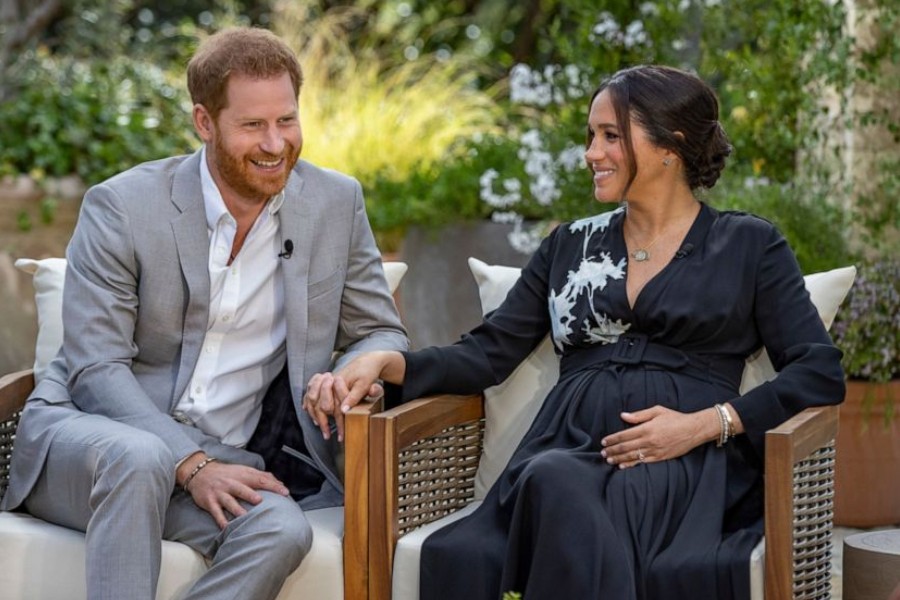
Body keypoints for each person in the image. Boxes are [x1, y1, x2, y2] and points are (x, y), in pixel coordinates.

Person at [325, 65, 846, 600]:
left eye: (611, 136)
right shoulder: (569, 245)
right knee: (550, 481)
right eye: (591, 136)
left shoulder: (748, 245)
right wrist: (389, 364)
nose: (592, 153)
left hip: (680, 462)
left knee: (557, 486)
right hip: (564, 448)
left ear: (673, 146)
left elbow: (819, 370)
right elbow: (487, 353)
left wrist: (705, 425)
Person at [0, 26, 407, 599]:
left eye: (286, 120)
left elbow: (379, 328)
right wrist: (188, 463)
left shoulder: (336, 203)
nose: (275, 143)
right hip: (89, 445)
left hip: (222, 456)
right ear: (203, 122)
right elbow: (96, 371)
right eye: (252, 125)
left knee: (281, 529)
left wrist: (360, 364)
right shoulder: (121, 207)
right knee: (140, 456)